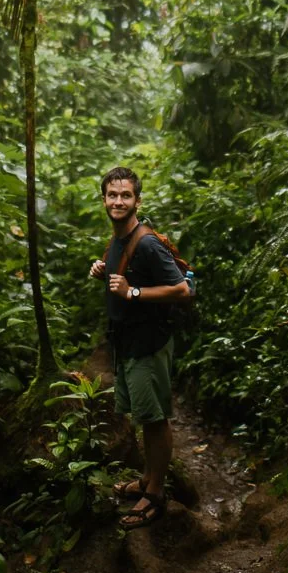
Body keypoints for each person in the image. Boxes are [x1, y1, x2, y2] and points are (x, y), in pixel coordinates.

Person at [89, 165, 190, 529]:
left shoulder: (145, 242)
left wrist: (132, 292)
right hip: (128, 344)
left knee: (155, 418)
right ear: (104, 199)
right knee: (143, 417)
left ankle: (156, 494)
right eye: (112, 195)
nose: (118, 201)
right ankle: (147, 479)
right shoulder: (117, 239)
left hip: (149, 343)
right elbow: (123, 276)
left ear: (137, 200)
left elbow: (181, 289)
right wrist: (104, 269)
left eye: (125, 195)